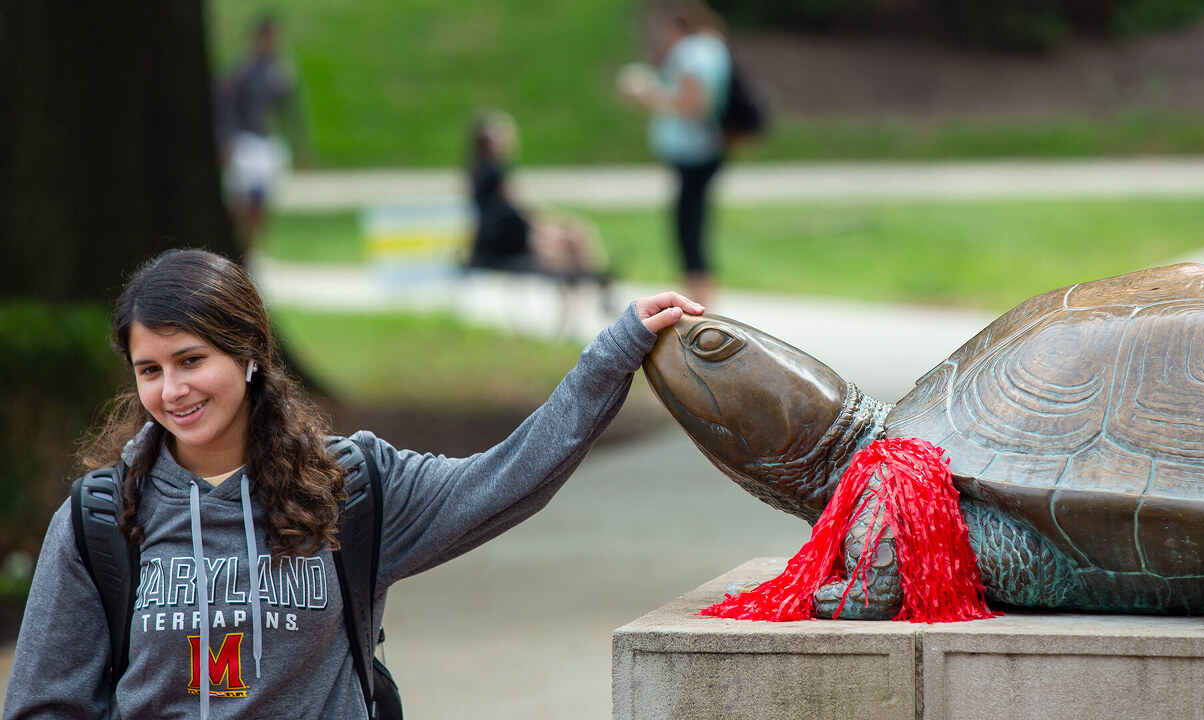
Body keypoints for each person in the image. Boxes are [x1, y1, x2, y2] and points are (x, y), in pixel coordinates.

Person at [2, 248, 701, 718]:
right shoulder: (101, 519)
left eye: (191, 359)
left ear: (247, 354)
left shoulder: (347, 488)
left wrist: (609, 358)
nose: (173, 390)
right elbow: (43, 704)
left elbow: (510, 479)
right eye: (149, 369)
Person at [618, 0, 731, 306]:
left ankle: (699, 307)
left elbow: (693, 104)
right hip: (707, 149)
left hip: (695, 152)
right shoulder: (712, 46)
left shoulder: (690, 52)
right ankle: (702, 301)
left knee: (688, 228)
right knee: (693, 224)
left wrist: (648, 95)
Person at [466, 110, 613, 327]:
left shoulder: (479, 170)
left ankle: (592, 288)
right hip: (507, 242)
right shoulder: (496, 173)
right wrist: (548, 224)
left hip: (499, 238)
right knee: (570, 239)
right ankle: (597, 285)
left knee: (571, 235)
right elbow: (520, 211)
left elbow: (517, 210)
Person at [217, 15, 302, 252]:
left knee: (263, 197)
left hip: (265, 141)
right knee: (242, 197)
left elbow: (289, 109)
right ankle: (244, 242)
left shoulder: (276, 71)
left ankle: (254, 243)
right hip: (243, 140)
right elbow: (226, 106)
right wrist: (227, 139)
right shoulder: (240, 70)